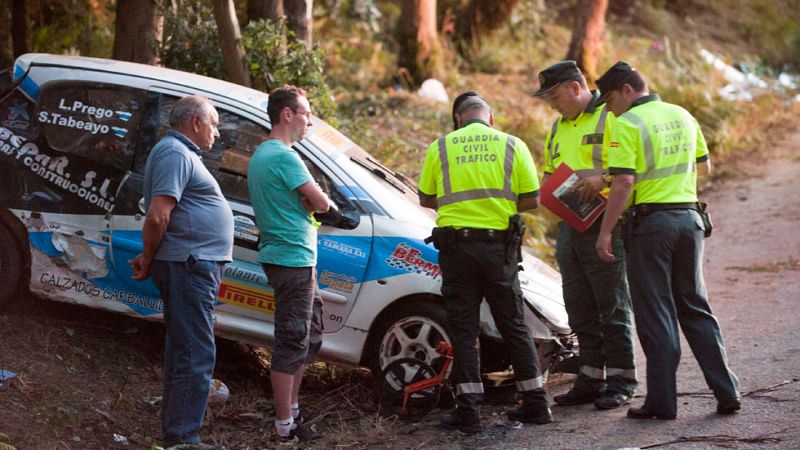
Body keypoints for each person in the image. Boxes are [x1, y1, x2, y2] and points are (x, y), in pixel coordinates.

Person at [594, 61, 741, 420]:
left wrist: (605, 230)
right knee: (694, 305)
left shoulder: (628, 123)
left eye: (610, 99)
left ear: (627, 90)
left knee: (656, 312)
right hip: (689, 220)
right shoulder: (683, 114)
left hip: (652, 226)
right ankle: (727, 391)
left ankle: (662, 402)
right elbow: (703, 165)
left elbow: (625, 182)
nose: (609, 108)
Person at [418, 92, 552, 434]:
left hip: (458, 250)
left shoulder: (442, 146)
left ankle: (470, 412)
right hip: (500, 251)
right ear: (490, 118)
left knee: (464, 329)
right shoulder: (513, 145)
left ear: (459, 119)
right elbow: (533, 199)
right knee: (514, 325)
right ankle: (536, 403)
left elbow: (425, 197)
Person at [532, 61, 637, 410]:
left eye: (554, 95)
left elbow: (632, 166)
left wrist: (604, 178)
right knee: (578, 304)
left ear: (575, 88)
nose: (551, 104)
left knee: (611, 304)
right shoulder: (557, 128)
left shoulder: (611, 117)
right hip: (570, 226)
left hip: (606, 223)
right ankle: (591, 378)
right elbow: (551, 171)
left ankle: (622, 380)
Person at [130, 95, 233, 450]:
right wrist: (148, 255)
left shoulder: (179, 153)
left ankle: (177, 436)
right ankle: (184, 439)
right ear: (196, 122)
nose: (217, 133)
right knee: (195, 354)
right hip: (189, 265)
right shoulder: (175, 152)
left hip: (189, 264)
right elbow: (158, 215)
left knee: (185, 352)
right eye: (215, 124)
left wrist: (150, 257)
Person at [247, 85, 330, 442]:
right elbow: (323, 203)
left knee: (308, 334)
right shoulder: (283, 156)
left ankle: (293, 410)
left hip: (293, 257)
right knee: (292, 337)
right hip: (291, 258)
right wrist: (313, 199)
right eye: (306, 113)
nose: (309, 120)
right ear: (287, 115)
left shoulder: (265, 154)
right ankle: (285, 425)